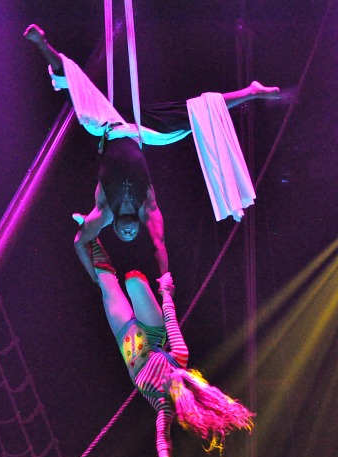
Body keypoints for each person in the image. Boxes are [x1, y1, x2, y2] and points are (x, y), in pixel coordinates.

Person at [23, 24, 280, 278]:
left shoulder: (104, 211)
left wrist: (96, 279)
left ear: (112, 229)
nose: (128, 233)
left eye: (123, 235)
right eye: (132, 235)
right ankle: (252, 92)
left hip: (107, 126)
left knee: (76, 91)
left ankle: (43, 45)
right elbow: (159, 246)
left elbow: (80, 242)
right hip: (141, 130)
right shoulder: (147, 208)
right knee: (198, 112)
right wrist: (165, 283)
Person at [86, 238, 254, 457]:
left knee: (107, 282)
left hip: (126, 337)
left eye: (177, 385)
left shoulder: (162, 403)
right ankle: (119, 264)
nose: (176, 377)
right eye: (182, 378)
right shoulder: (180, 358)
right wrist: (166, 292)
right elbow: (170, 319)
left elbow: (162, 439)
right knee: (133, 280)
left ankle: (94, 239)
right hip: (151, 331)